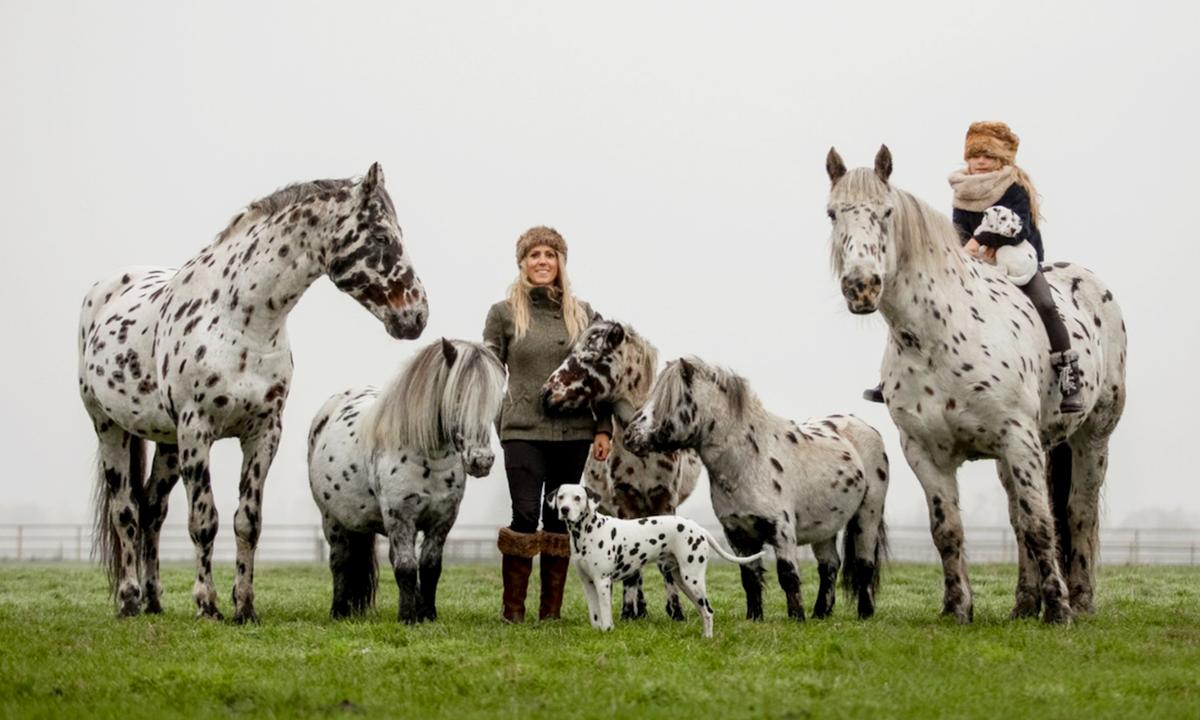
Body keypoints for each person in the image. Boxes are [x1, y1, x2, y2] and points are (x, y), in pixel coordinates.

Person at [863, 122, 1082, 413]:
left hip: (1016, 258)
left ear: (1002, 160)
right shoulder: (963, 191)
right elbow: (959, 232)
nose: (980, 162)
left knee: (1044, 303)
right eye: (975, 155)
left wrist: (982, 240)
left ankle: (1068, 373)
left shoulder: (1014, 187)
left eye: (988, 156)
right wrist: (963, 250)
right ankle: (893, 376)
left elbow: (1019, 228)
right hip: (975, 262)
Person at [483, 226, 613, 623]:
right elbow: (488, 373)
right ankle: (513, 612)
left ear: (561, 263)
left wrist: (603, 427)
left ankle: (550, 614)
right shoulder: (503, 313)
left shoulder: (585, 313)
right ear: (522, 262)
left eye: (550, 255)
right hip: (522, 430)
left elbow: (601, 372)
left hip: (574, 432)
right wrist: (498, 418)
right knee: (524, 514)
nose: (542, 261)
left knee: (560, 517)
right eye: (534, 254)